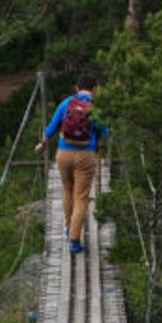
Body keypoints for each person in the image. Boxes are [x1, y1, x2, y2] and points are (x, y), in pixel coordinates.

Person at [37, 76, 107, 254]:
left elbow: (51, 127)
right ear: (95, 89)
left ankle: (69, 227)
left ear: (77, 88)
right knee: (81, 197)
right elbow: (105, 132)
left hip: (63, 154)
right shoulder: (96, 107)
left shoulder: (66, 103)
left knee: (68, 190)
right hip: (85, 156)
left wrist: (43, 142)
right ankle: (74, 240)